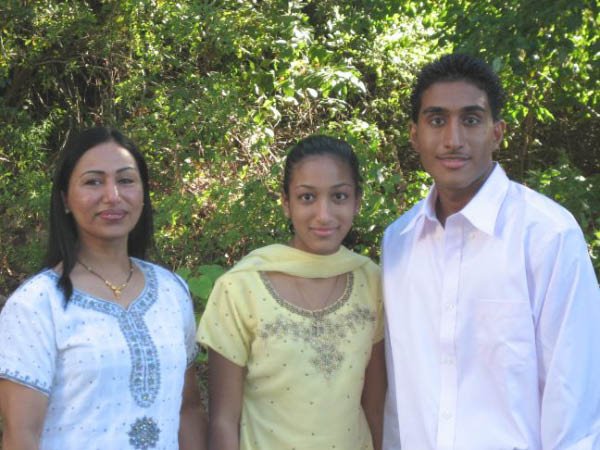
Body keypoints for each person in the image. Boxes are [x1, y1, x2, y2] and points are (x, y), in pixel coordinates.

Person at [382, 53, 600, 449]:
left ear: (497, 132)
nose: (453, 140)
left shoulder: (548, 236)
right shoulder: (399, 243)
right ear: (414, 135)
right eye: (436, 120)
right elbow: (400, 395)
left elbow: (576, 403)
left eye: (470, 119)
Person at [0, 126, 208, 450]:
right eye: (93, 182)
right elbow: (21, 435)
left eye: (126, 180)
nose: (112, 195)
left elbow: (188, 409)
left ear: (143, 193)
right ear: (65, 199)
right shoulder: (36, 305)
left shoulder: (171, 291)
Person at [197, 135, 386, 450]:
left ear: (357, 202)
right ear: (286, 203)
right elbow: (223, 421)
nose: (323, 214)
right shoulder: (241, 287)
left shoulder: (371, 281)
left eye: (339, 196)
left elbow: (376, 408)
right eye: (307, 197)